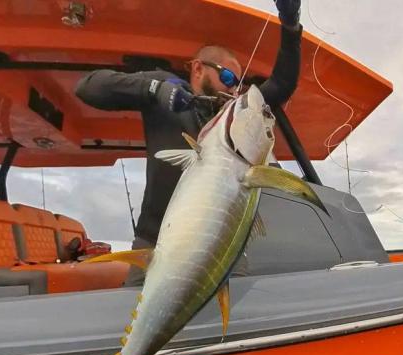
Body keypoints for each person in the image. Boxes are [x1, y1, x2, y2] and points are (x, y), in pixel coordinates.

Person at [74, 0, 302, 285]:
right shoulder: (163, 87)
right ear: (198, 69)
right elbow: (87, 87)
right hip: (156, 243)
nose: (233, 87)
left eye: (237, 82)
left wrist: (290, 25)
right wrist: (153, 89)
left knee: (229, 324)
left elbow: (281, 84)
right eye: (228, 76)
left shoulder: (236, 113)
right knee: (139, 320)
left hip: (222, 245)